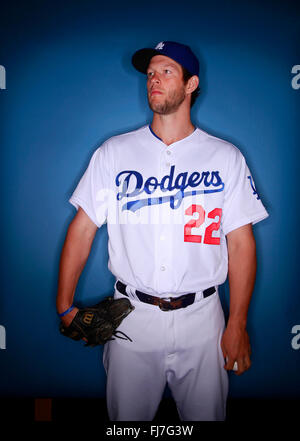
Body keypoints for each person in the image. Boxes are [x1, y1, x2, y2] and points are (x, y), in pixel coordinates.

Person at [56, 41, 269, 421]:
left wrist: (236, 322)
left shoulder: (225, 157)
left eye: (166, 71)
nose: (154, 79)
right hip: (133, 316)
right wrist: (64, 304)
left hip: (203, 318)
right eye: (150, 73)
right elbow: (83, 229)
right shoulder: (114, 153)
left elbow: (241, 244)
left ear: (190, 84)